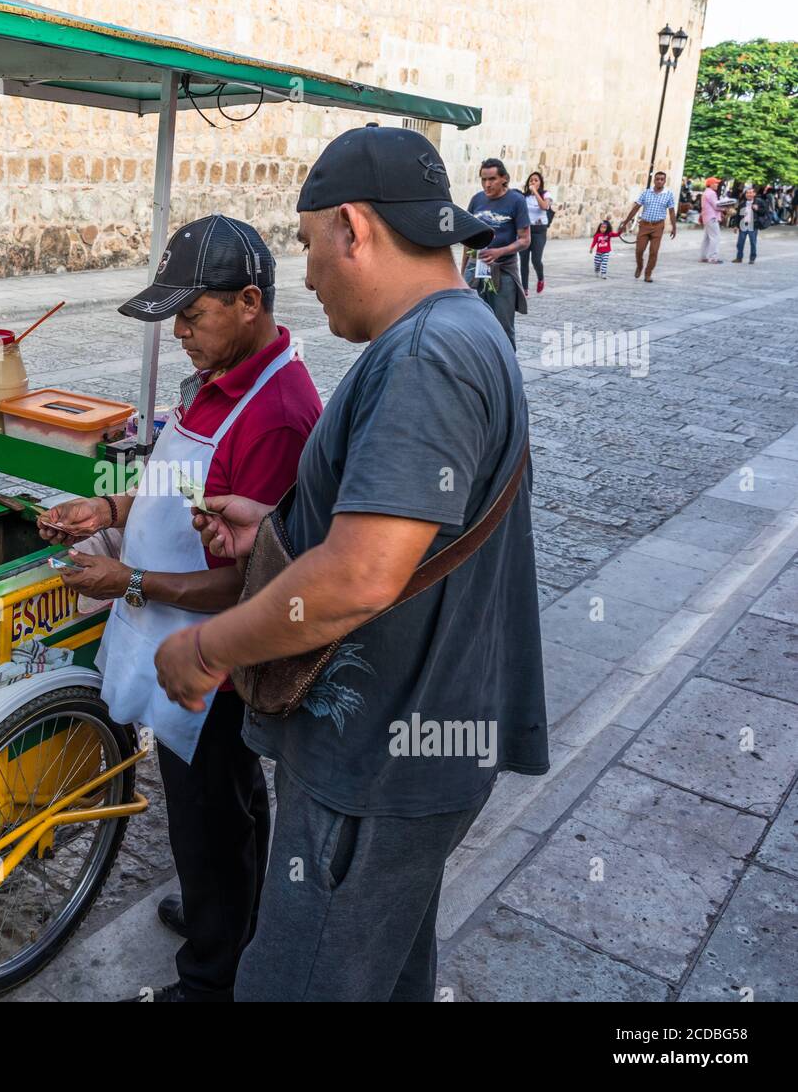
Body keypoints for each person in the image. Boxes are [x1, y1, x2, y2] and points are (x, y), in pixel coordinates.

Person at [153, 126, 547, 1002]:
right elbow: (403, 537)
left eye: (306, 245)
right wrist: (277, 526)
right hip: (413, 746)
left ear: (353, 228)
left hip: (376, 760)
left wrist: (209, 648)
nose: (308, 275)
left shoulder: (425, 356)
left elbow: (363, 576)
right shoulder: (464, 330)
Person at [38, 215, 322, 1003]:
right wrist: (111, 511)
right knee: (222, 806)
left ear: (250, 303)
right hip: (177, 636)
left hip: (216, 658)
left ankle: (212, 977)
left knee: (210, 817)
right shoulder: (220, 379)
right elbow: (183, 490)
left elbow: (250, 583)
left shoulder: (277, 414)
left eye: (192, 317)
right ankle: (226, 916)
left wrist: (128, 583)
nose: (182, 337)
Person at [462, 157, 529, 347]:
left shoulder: (516, 200)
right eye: (483, 179)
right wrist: (462, 272)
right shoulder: (477, 199)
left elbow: (525, 240)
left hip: (503, 269)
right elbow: (468, 239)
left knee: (502, 324)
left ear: (504, 179)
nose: (487, 184)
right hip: (476, 268)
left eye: (491, 179)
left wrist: (500, 251)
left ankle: (507, 368)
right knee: (469, 318)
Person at [617, 170, 678, 282]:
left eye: (662, 179)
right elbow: (636, 208)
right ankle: (639, 266)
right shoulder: (646, 192)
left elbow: (672, 212)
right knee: (639, 250)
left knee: (654, 251)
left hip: (658, 226)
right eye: (657, 179)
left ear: (664, 181)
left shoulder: (668, 194)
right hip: (644, 225)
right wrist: (625, 223)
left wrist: (674, 227)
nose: (659, 181)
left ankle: (648, 274)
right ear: (654, 180)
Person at [519, 170, 552, 294]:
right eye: (531, 180)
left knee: (536, 260)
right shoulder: (524, 197)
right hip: (525, 230)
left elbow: (544, 206)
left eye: (536, 180)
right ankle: (524, 288)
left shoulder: (546, 194)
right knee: (523, 260)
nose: (533, 182)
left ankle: (541, 278)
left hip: (539, 231)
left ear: (540, 183)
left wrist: (536, 192)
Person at [733, 186, 760, 264]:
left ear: (754, 194)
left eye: (751, 193)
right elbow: (738, 216)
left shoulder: (758, 202)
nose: (749, 194)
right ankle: (739, 258)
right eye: (747, 193)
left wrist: (757, 208)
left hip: (753, 225)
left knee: (753, 242)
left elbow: (764, 212)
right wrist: (736, 226)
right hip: (743, 224)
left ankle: (752, 258)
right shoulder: (742, 204)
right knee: (740, 242)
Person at [699, 176, 723, 264]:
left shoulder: (706, 192)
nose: (717, 185)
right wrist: (726, 207)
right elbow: (716, 206)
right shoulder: (712, 193)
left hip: (706, 218)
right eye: (715, 183)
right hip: (712, 218)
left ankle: (703, 257)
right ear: (710, 184)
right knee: (715, 237)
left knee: (706, 238)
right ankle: (713, 258)